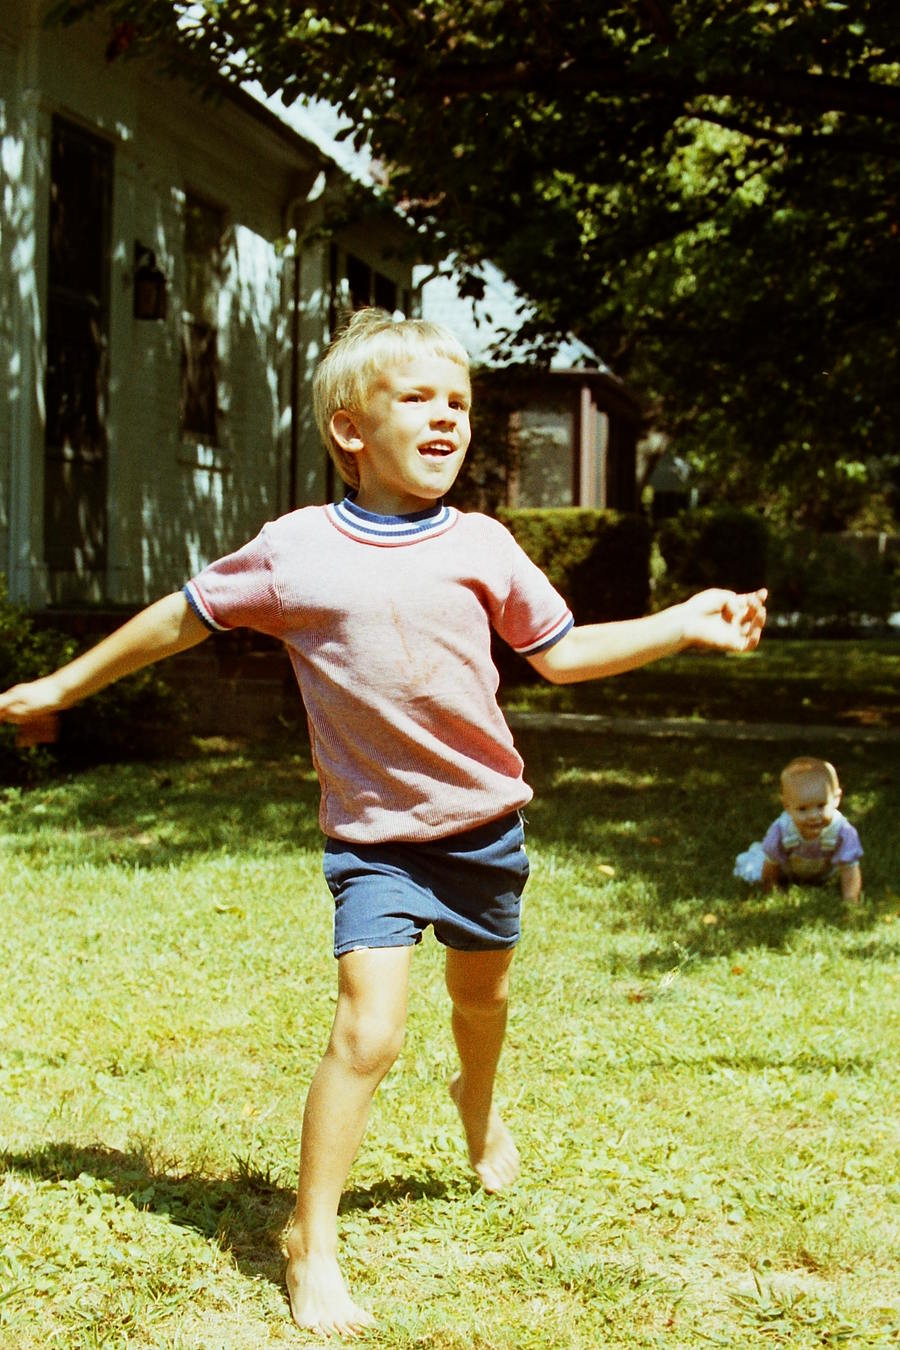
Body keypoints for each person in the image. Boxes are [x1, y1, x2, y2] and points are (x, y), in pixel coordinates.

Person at [0, 309, 767, 1338]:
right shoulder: (295, 552)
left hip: (484, 828)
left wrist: (681, 622)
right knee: (368, 1031)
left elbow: (561, 654)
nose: (447, 416)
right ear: (349, 429)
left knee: (482, 1002)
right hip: (373, 842)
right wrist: (63, 684)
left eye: (459, 402)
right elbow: (177, 620)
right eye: (417, 398)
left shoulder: (483, 545)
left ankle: (476, 1103)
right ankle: (311, 1243)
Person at [734, 755, 862, 903]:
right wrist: (771, 891)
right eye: (802, 809)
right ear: (787, 806)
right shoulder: (782, 830)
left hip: (823, 874)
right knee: (753, 872)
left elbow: (850, 868)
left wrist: (851, 900)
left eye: (821, 806)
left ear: (836, 799)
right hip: (786, 870)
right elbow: (772, 865)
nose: (813, 816)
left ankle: (818, 881)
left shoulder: (843, 831)